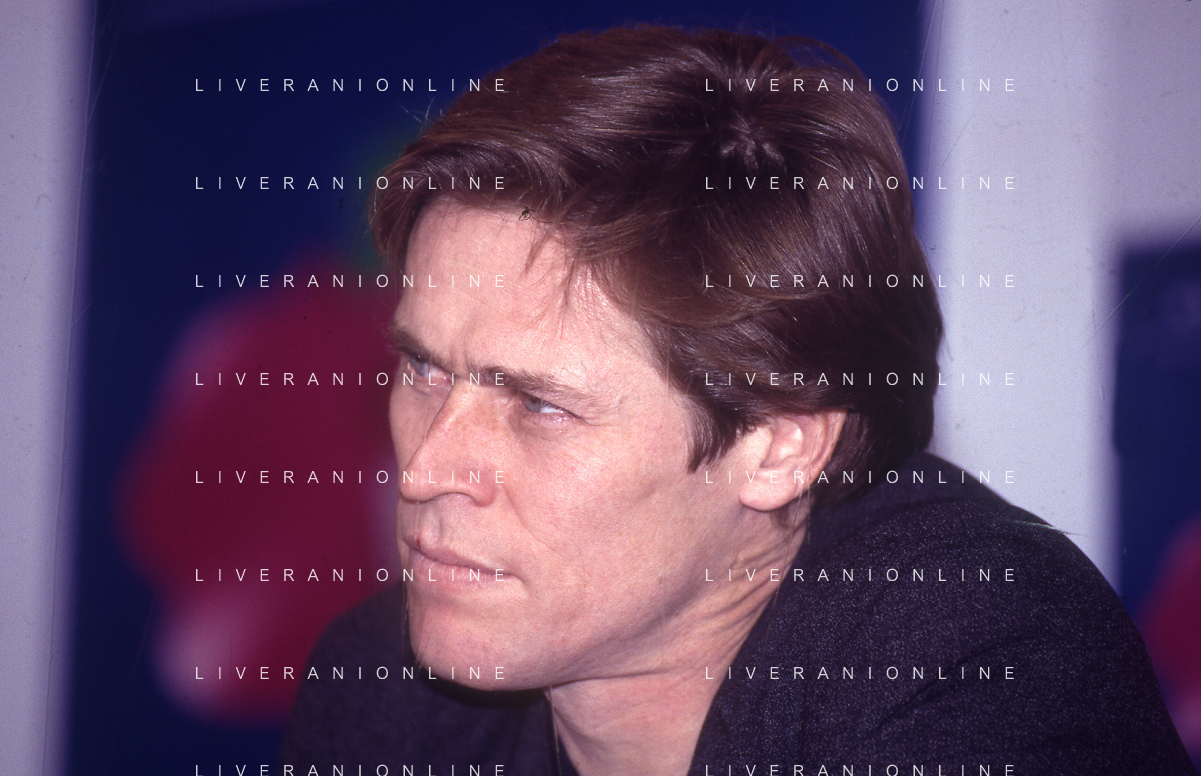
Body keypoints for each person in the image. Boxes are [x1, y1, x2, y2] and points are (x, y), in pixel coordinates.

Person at [281, 26, 1195, 775]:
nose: (424, 467)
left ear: (781, 446)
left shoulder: (979, 664)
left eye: (538, 405)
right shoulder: (382, 697)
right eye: (424, 370)